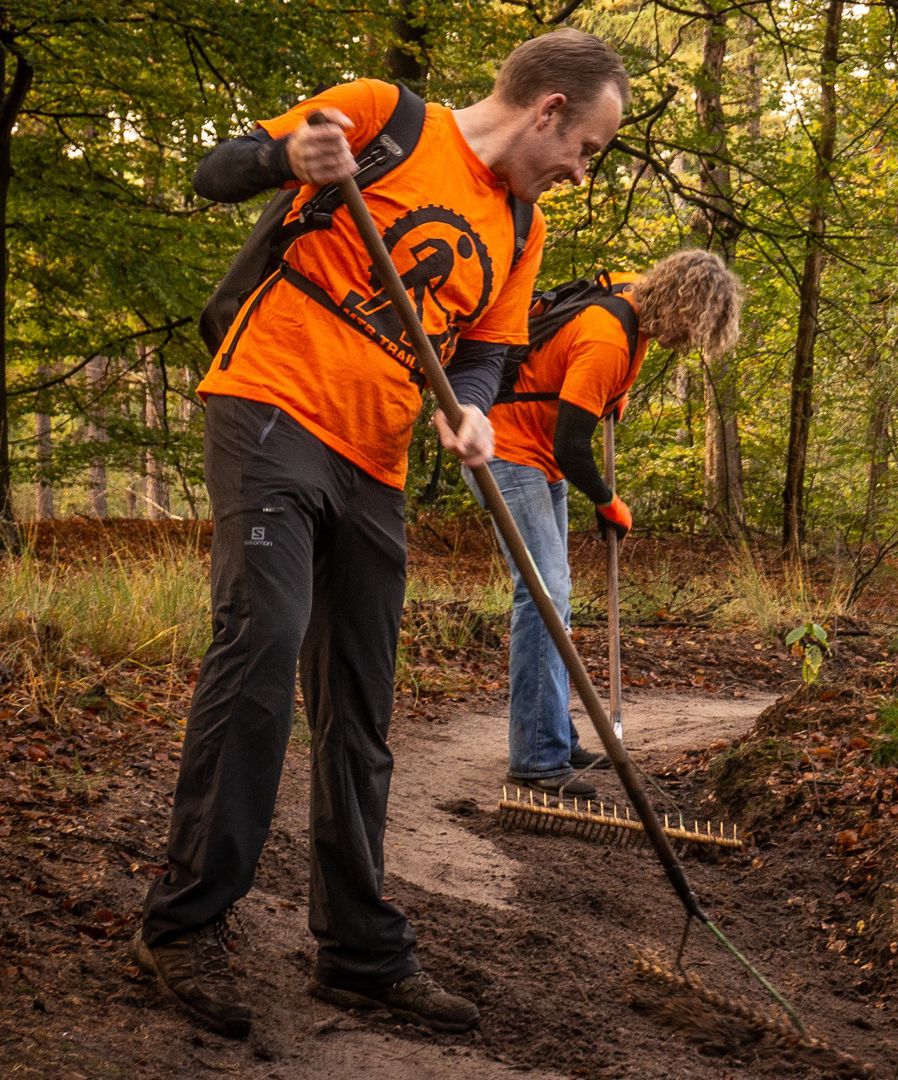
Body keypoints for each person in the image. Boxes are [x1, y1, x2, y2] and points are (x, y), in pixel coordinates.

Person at [130, 30, 629, 1040]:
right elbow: (216, 168)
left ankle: (357, 950)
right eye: (586, 147)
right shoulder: (382, 114)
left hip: (374, 459)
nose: (581, 171)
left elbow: (487, 350)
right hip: (270, 407)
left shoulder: (519, 227)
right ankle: (184, 926)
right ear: (548, 110)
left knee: (360, 700)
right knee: (262, 646)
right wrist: (288, 158)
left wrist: (475, 408)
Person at [474, 250, 743, 792]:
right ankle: (536, 757)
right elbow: (571, 445)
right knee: (543, 597)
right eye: (697, 328)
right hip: (507, 450)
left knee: (556, 595)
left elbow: (570, 382)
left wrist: (606, 398)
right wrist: (606, 500)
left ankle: (553, 736)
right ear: (683, 308)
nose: (691, 342)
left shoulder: (630, 299)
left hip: (534, 452)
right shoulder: (608, 337)